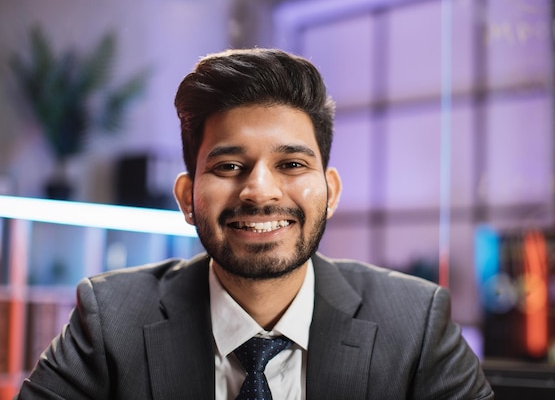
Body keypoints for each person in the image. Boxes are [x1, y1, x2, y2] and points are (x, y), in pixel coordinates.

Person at [16, 48, 494, 399]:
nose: (259, 191)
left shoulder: (414, 323)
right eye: (228, 166)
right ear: (187, 197)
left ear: (330, 193)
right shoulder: (110, 320)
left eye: (291, 165)